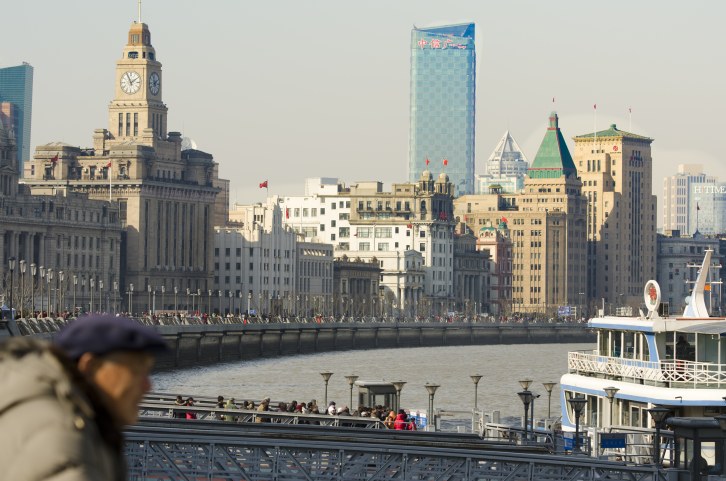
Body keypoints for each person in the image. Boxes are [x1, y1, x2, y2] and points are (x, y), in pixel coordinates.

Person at [0, 314, 167, 481]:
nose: (148, 386)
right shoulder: (63, 432)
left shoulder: (75, 418)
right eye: (136, 371)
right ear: (90, 366)